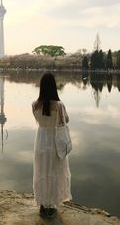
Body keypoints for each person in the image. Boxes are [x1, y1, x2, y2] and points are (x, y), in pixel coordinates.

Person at [31, 72, 72, 218]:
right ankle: (52, 205)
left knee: (42, 171)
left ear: (41, 87)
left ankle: (43, 204)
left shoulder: (34, 105)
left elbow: (39, 121)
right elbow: (65, 120)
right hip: (55, 140)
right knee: (55, 170)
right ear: (54, 87)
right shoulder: (59, 105)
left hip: (41, 140)